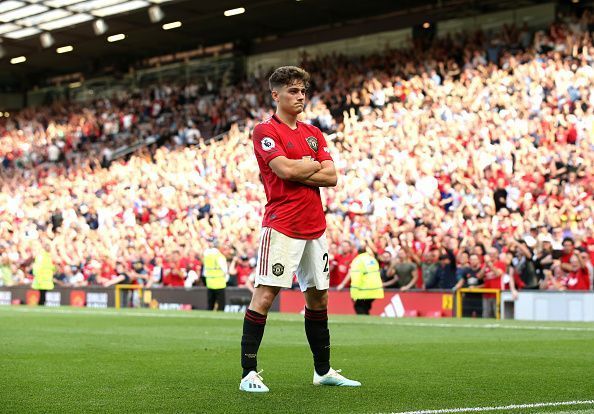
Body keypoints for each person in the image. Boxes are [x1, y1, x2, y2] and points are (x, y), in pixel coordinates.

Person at [239, 66, 360, 393]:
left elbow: (331, 177)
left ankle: (323, 371)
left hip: (314, 226)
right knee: (265, 296)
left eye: (303, 90)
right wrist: (309, 166)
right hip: (282, 224)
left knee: (319, 297)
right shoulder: (265, 131)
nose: (301, 96)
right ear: (275, 94)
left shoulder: (314, 133)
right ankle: (248, 373)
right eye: (293, 91)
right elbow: (284, 169)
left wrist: (300, 169)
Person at [337, 245, 384, 315]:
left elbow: (353, 274)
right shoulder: (372, 259)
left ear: (357, 252)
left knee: (358, 306)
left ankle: (366, 323)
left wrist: (343, 285)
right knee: (365, 307)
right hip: (376, 289)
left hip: (365, 290)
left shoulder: (358, 260)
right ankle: (369, 322)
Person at [199, 238, 228, 311]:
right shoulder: (220, 256)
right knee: (221, 305)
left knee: (210, 305)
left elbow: (204, 270)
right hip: (219, 283)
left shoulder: (207, 256)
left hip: (209, 282)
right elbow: (225, 270)